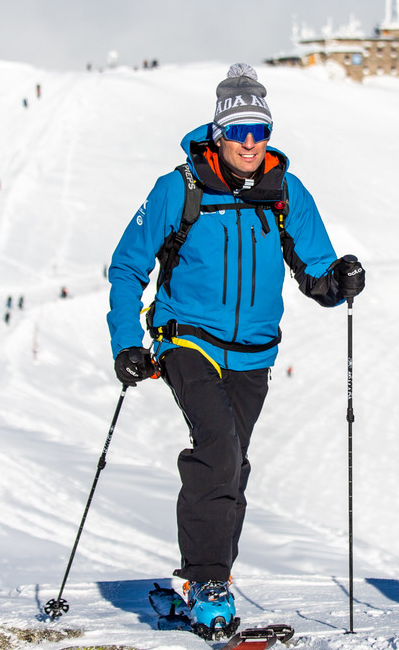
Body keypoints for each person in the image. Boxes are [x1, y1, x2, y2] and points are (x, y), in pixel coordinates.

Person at [107, 63, 364, 634]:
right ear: (219, 133)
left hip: (254, 352)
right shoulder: (181, 187)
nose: (250, 143)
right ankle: (206, 581)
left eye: (260, 131)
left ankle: (209, 576)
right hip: (187, 339)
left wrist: (338, 279)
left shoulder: (286, 192)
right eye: (238, 131)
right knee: (218, 451)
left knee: (233, 466)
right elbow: (127, 267)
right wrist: (127, 341)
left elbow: (315, 267)